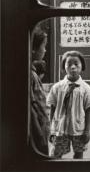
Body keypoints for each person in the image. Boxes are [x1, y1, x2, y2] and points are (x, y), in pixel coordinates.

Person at [47, 51, 90, 159]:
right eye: (69, 64)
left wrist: (87, 130)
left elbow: (89, 109)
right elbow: (53, 108)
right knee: (56, 154)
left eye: (76, 64)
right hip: (60, 128)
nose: (73, 67)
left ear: (82, 66)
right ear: (64, 66)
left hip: (78, 128)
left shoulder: (85, 88)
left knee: (79, 154)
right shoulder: (57, 87)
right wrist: (51, 129)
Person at [30, 27, 50, 155]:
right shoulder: (30, 75)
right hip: (37, 133)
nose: (45, 50)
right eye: (43, 46)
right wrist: (40, 135)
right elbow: (32, 108)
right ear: (33, 49)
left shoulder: (32, 72)